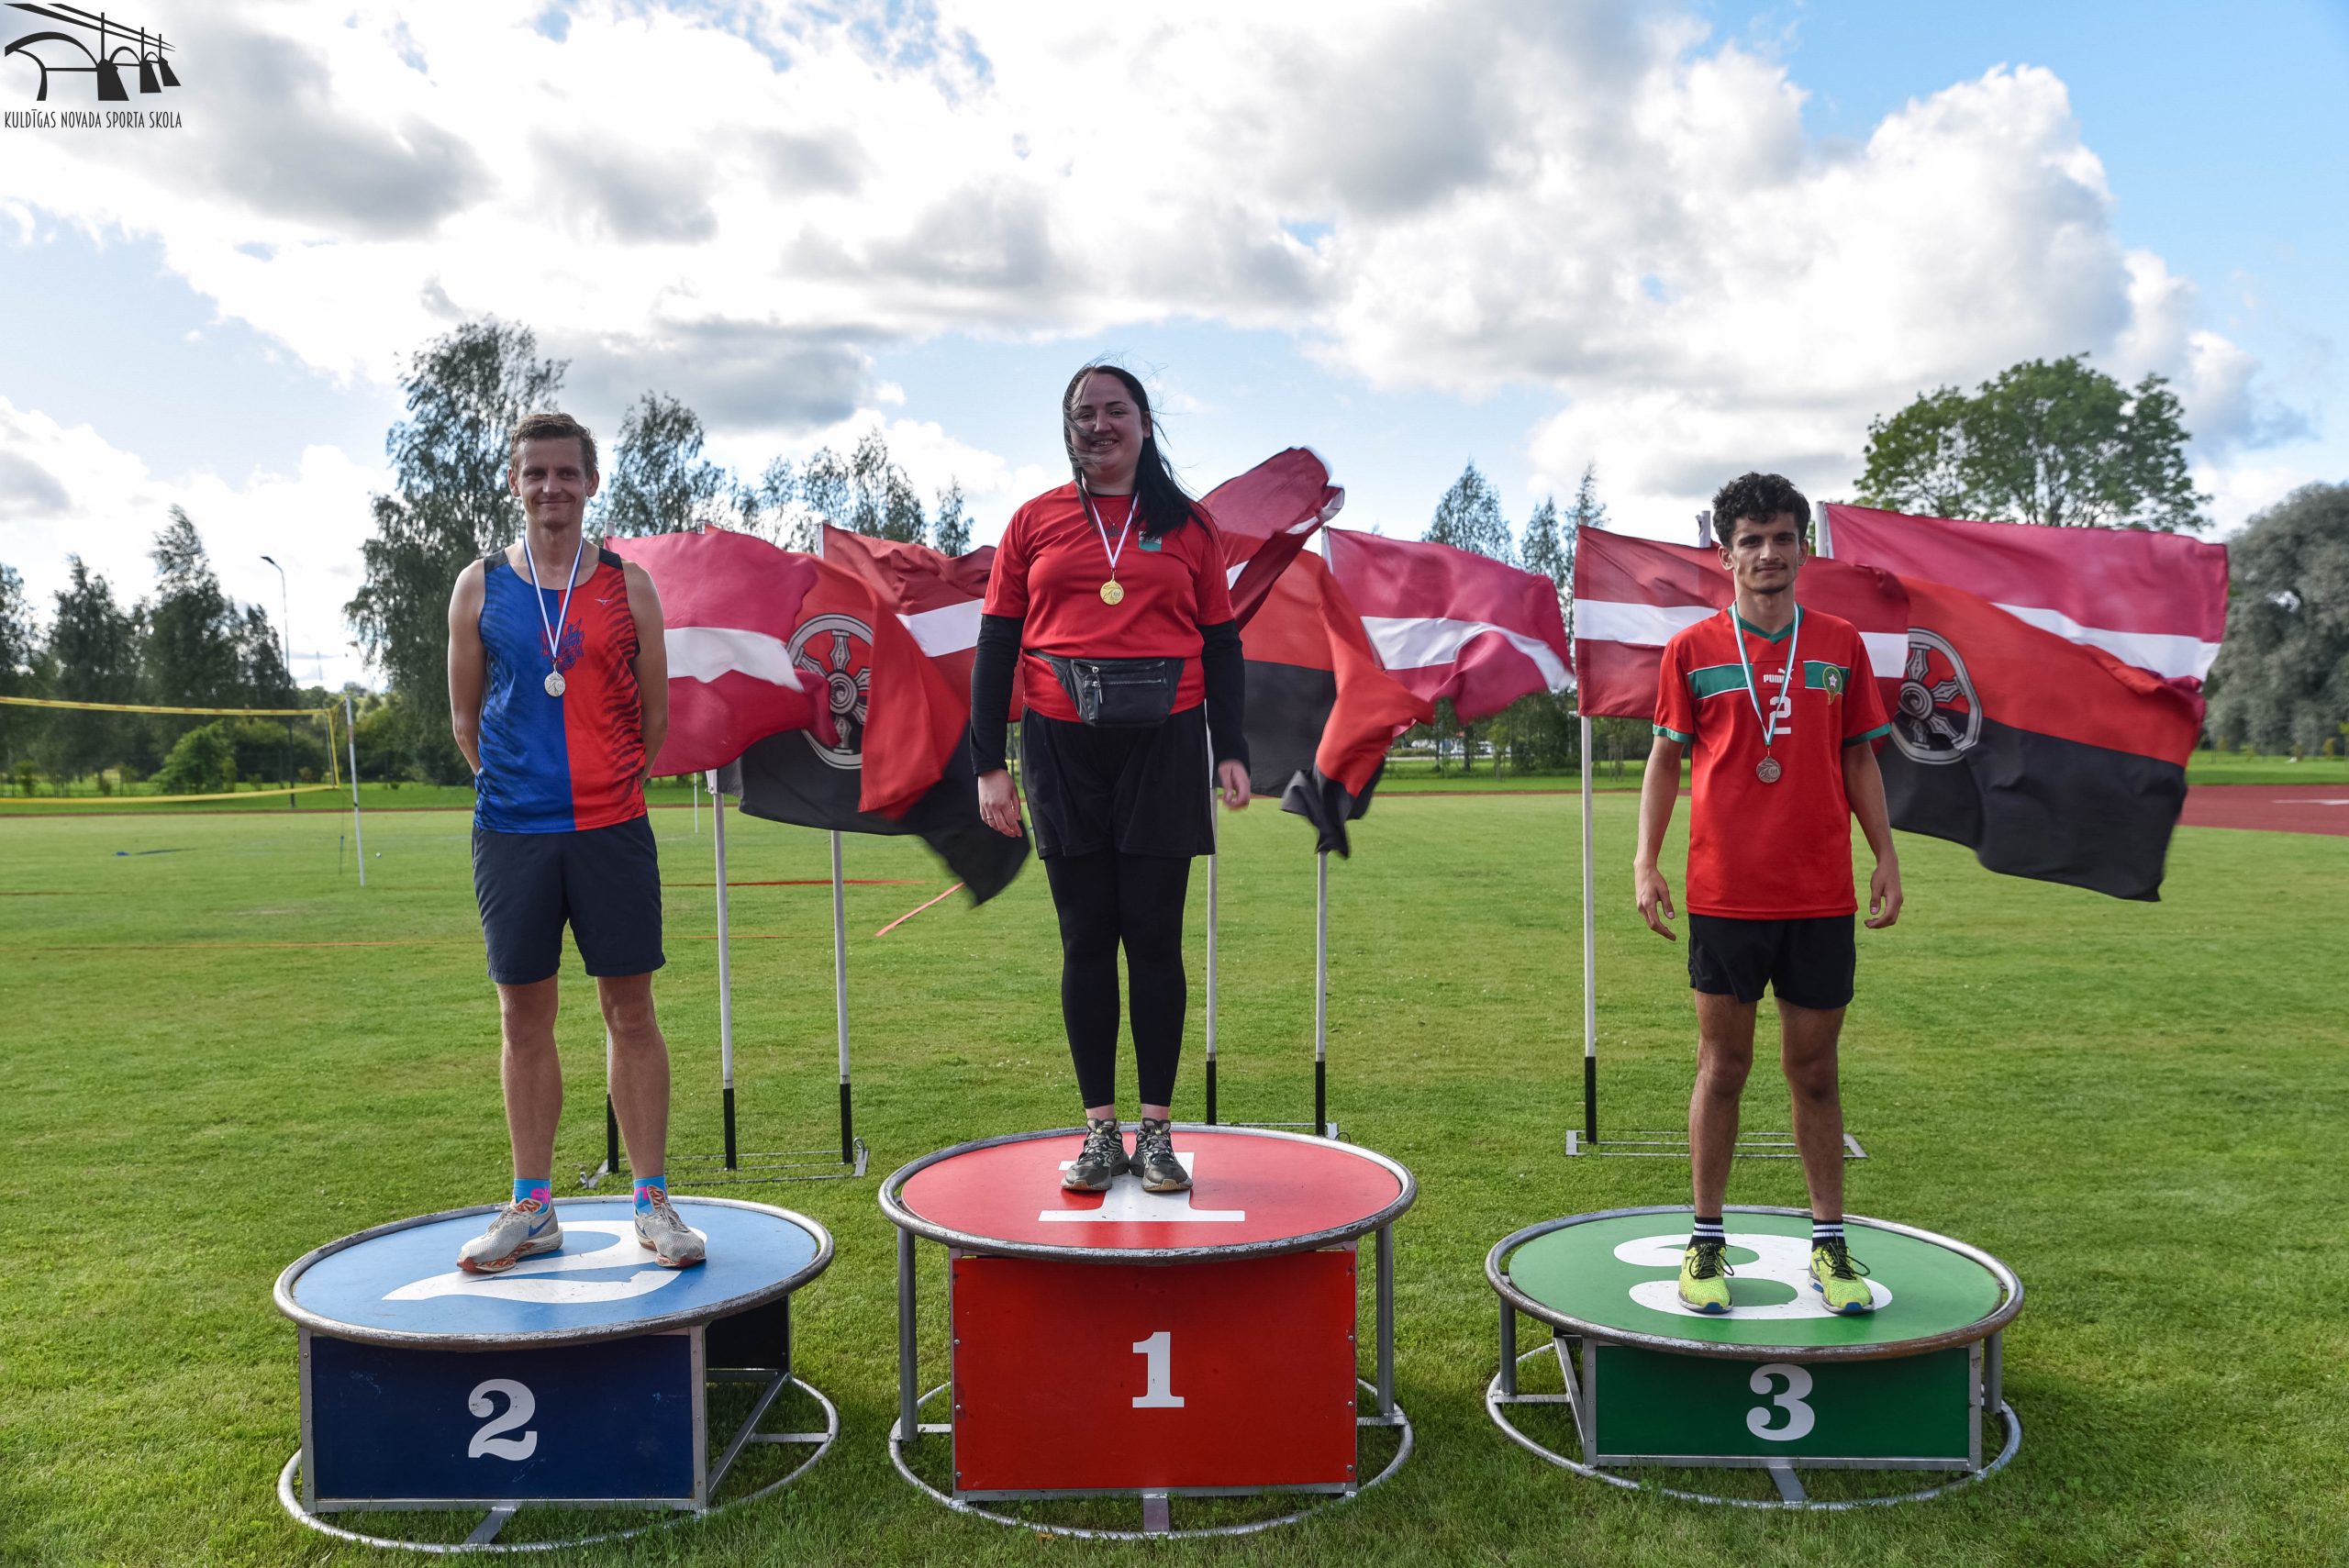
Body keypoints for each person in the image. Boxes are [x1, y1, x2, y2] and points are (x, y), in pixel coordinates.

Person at [971, 363, 1251, 1194]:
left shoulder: (1188, 525)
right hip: (1061, 745)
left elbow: (1222, 643)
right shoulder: (1034, 521)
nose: (1099, 425)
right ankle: (1100, 1130)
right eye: (1083, 413)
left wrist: (1230, 747)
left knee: (1155, 939)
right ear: (1068, 428)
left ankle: (1157, 1134)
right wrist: (988, 762)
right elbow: (996, 643)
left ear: (1144, 422)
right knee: (1086, 937)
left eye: (1115, 410)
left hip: (1167, 742)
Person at [1631, 472, 1900, 1316]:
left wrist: (1885, 855)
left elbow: (1859, 756)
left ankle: (1830, 1244)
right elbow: (1666, 760)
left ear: (1803, 547)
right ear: (1725, 554)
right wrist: (1645, 861)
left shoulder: (1841, 643)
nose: (1768, 553)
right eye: (1750, 540)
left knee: (1814, 1070)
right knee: (1724, 1067)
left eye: (1783, 537)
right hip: (1725, 894)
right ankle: (1705, 1241)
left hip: (1819, 894)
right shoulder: (1692, 649)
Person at [443, 411, 703, 1273]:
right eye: (536, 473)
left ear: (591, 483)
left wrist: (605, 784)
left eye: (566, 472)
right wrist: (522, 789)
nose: (550, 486)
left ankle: (652, 1201)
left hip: (612, 829)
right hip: (512, 834)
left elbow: (656, 717)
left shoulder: (630, 588)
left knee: (631, 1011)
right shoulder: (479, 586)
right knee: (523, 1018)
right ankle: (533, 1205)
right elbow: (465, 720)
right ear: (515, 484)